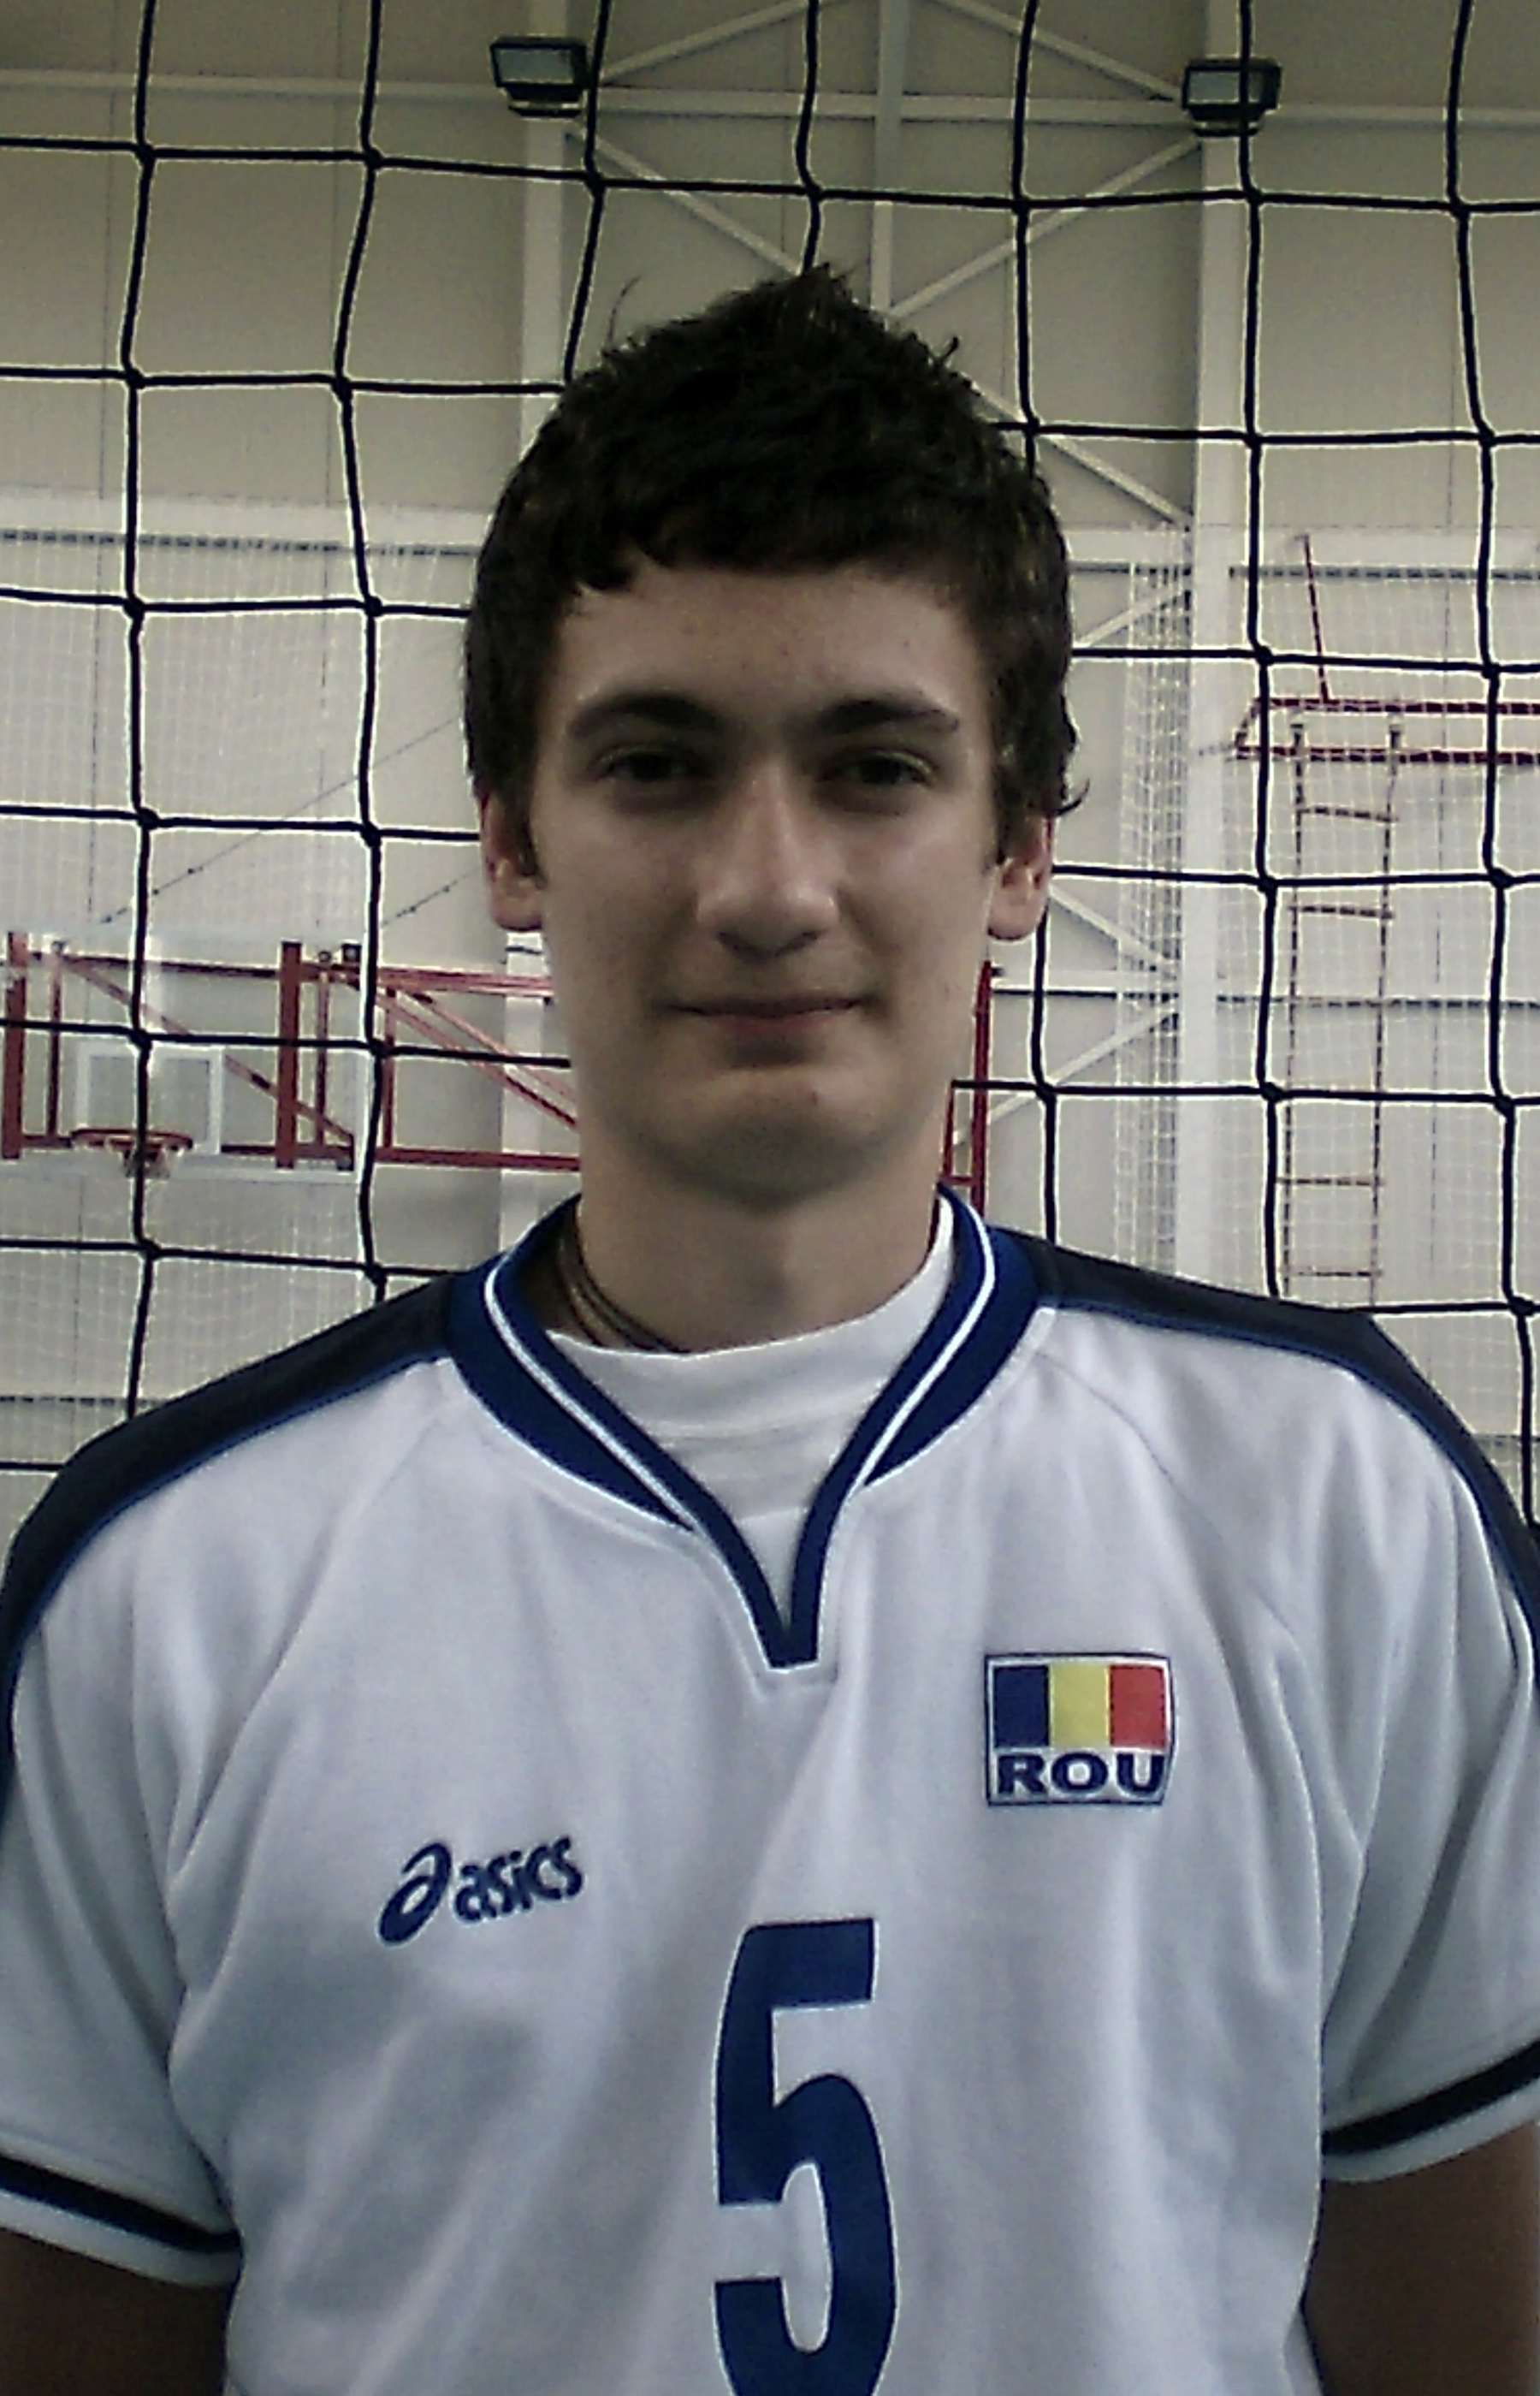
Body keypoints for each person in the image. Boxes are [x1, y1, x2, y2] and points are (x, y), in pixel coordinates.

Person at [1, 268, 1538, 2396]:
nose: (767, 884)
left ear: (1020, 845)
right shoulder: (167, 1589)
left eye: (874, 765)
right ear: (512, 834)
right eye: (658, 763)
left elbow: (1457, 2318)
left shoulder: (1342, 1505)